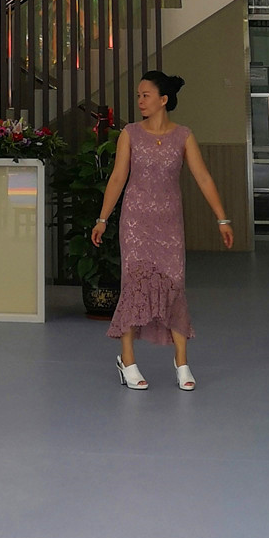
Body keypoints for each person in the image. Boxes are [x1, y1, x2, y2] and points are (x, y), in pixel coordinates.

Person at [91, 70, 233, 391]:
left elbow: (203, 178)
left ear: (163, 100)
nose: (140, 101)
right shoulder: (130, 134)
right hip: (135, 223)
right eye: (138, 96)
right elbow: (118, 178)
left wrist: (222, 219)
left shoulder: (183, 136)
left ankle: (182, 363)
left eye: (146, 95)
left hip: (169, 225)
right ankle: (128, 360)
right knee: (133, 285)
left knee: (174, 285)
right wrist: (102, 218)